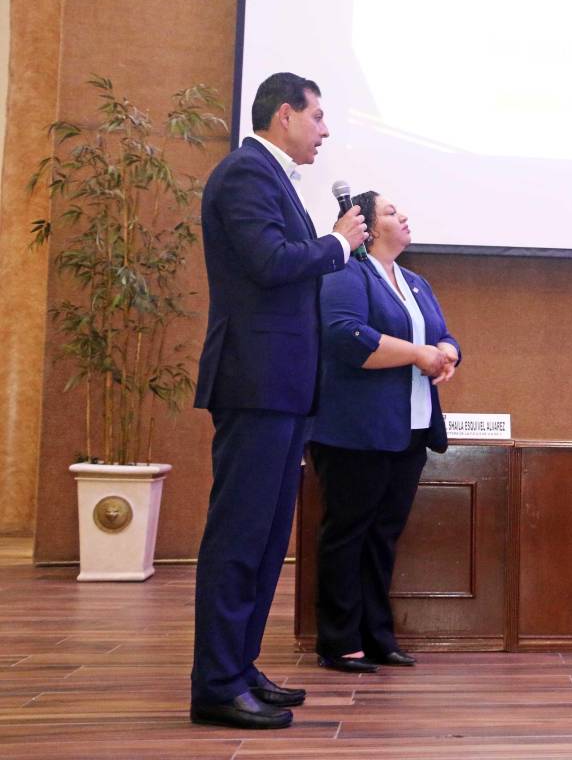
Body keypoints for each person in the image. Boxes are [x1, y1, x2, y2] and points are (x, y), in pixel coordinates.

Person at [190, 73, 368, 729]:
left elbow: (282, 261)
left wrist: (326, 244)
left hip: (283, 387)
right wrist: (338, 245)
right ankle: (214, 684)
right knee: (239, 535)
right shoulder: (244, 175)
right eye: (317, 116)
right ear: (285, 114)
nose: (324, 131)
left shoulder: (270, 180)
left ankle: (238, 668)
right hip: (256, 383)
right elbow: (268, 261)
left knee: (266, 541)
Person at [308, 190, 461, 673]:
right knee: (347, 534)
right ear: (367, 228)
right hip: (355, 430)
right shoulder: (346, 273)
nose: (405, 216)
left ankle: (377, 636)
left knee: (383, 537)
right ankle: (338, 640)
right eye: (392, 212)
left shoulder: (415, 281)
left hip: (410, 430)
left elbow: (443, 334)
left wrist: (447, 351)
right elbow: (345, 334)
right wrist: (418, 355)